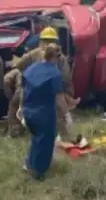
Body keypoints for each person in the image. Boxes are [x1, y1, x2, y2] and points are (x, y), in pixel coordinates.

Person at [11, 27, 76, 141]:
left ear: (40, 40)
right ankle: (62, 137)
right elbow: (66, 77)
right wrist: (68, 93)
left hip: (32, 92)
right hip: (53, 91)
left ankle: (16, 132)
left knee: (14, 106)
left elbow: (18, 65)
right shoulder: (60, 56)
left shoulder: (33, 53)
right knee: (57, 115)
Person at [20, 44, 72, 180]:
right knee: (46, 143)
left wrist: (21, 109)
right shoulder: (54, 73)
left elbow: (23, 90)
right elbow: (59, 98)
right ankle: (38, 173)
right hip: (43, 113)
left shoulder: (31, 69)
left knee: (36, 139)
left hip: (28, 111)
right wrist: (67, 114)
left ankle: (28, 164)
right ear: (55, 57)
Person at [4, 68, 24, 137]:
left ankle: (14, 133)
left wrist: (9, 96)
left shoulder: (15, 71)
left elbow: (6, 81)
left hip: (20, 91)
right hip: (30, 91)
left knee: (13, 111)